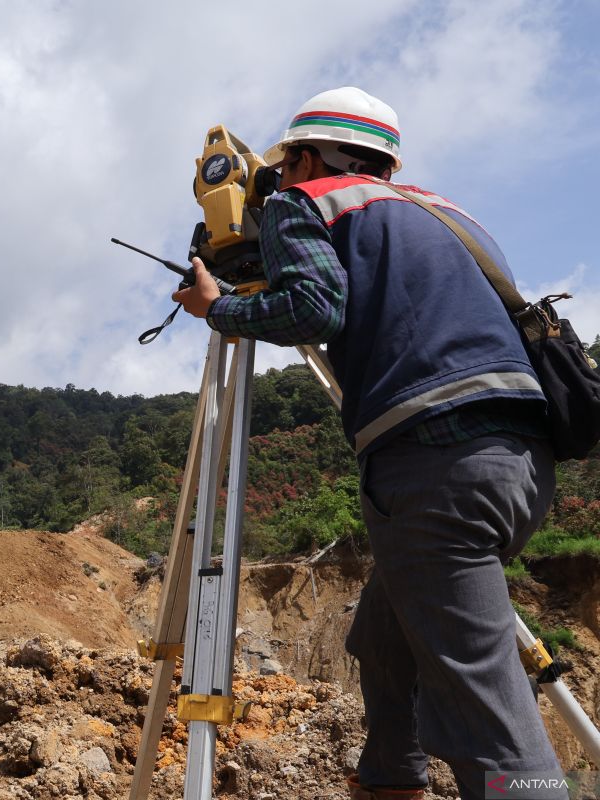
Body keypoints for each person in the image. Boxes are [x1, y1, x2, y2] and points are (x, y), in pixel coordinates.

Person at [171, 87, 565, 800]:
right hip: (522, 466)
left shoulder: (305, 202)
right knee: (384, 640)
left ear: (306, 156)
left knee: (492, 720)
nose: (277, 187)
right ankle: (390, 781)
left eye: (285, 169)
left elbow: (314, 306)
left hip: (435, 469)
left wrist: (218, 307)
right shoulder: (444, 213)